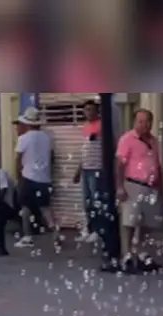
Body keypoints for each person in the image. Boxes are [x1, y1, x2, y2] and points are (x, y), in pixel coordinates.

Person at [116, 108, 163, 272]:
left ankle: (142, 253)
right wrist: (120, 186)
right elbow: (120, 164)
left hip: (151, 186)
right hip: (133, 184)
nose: (144, 125)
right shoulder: (127, 139)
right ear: (134, 122)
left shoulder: (154, 141)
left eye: (147, 121)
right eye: (140, 121)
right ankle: (127, 255)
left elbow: (158, 164)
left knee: (148, 222)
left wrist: (161, 188)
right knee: (130, 221)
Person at [13, 107, 56, 248]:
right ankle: (56, 233)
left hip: (28, 177)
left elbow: (18, 159)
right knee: (45, 207)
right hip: (44, 178)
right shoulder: (47, 137)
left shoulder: (23, 138)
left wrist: (17, 176)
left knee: (25, 207)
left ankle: (27, 236)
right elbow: (52, 157)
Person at [72, 99, 103, 244]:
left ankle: (98, 230)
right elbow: (84, 150)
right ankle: (90, 229)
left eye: (91, 109)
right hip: (86, 168)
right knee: (87, 201)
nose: (88, 113)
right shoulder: (85, 127)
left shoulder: (102, 125)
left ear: (97, 111)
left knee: (96, 200)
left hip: (97, 167)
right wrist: (79, 170)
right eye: (86, 110)